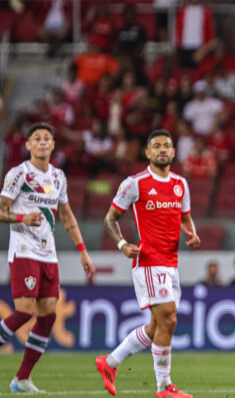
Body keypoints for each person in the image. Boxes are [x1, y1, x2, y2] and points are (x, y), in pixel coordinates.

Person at [95, 129, 200, 398]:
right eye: (157, 146)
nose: (162, 150)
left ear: (174, 152)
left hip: (171, 263)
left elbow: (185, 217)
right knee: (170, 318)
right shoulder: (135, 183)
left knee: (157, 328)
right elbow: (110, 219)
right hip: (149, 261)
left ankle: (109, 362)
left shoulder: (181, 184)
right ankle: (164, 388)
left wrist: (192, 231)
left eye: (167, 146)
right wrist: (121, 244)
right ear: (148, 153)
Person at [0, 123, 95, 393]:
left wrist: (83, 251)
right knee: (25, 310)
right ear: (28, 145)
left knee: (48, 315)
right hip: (24, 251)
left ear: (53, 145)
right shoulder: (19, 174)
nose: (42, 142)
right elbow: (1, 209)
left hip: (48, 254)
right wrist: (22, 217)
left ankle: (22, 379)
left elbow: (66, 215)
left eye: (47, 139)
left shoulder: (58, 177)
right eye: (36, 139)